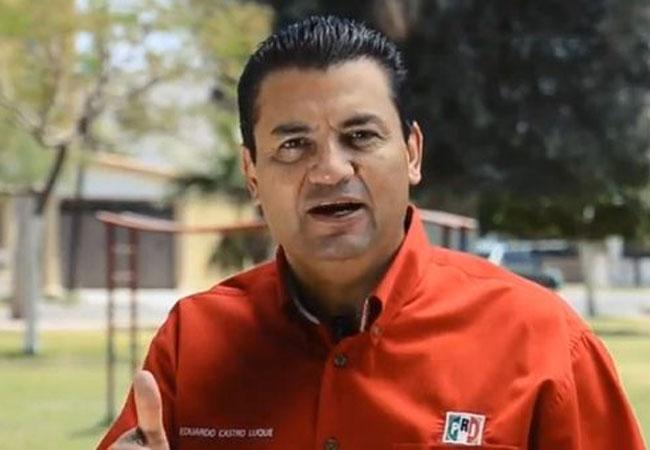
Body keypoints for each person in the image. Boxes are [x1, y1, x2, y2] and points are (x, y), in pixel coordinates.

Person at [98, 15, 645, 450]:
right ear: (252, 175)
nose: (330, 170)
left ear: (412, 153)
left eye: (360, 136)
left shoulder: (541, 339)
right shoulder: (193, 341)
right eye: (294, 145)